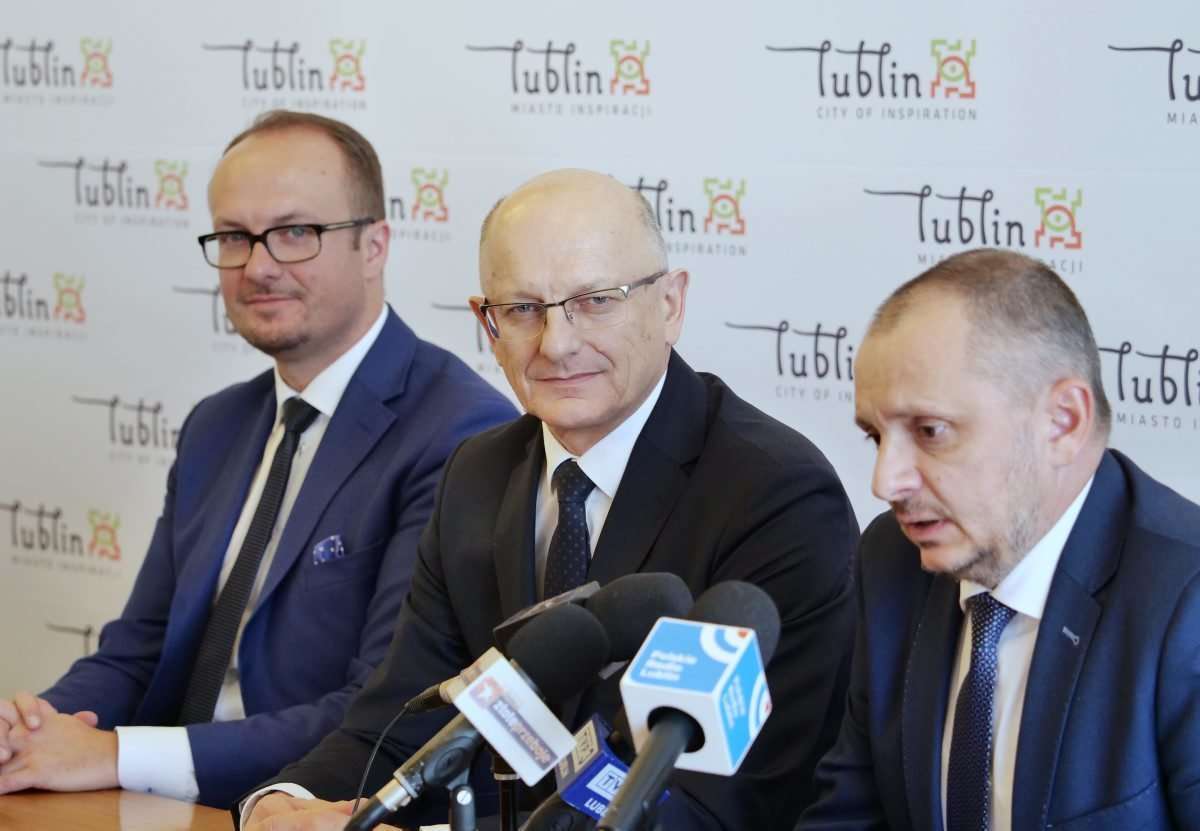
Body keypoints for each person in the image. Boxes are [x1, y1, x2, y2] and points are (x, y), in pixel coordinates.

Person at [240, 169, 859, 830]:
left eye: (595, 301)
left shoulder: (775, 497)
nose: (557, 344)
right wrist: (279, 806)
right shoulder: (477, 475)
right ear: (487, 323)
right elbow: (397, 728)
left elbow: (721, 806)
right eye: (522, 309)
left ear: (670, 304)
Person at [0, 111, 515, 809]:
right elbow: (137, 650)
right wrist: (31, 731)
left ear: (374, 245)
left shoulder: (461, 430)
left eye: (296, 232)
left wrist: (118, 753)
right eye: (235, 237)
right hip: (159, 802)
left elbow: (382, 711)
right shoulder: (216, 425)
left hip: (308, 808)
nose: (259, 266)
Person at [798, 248, 1200, 831]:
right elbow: (850, 816)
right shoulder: (891, 559)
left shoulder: (1185, 599)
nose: (885, 482)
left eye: (930, 431)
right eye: (875, 437)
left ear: (1062, 422)